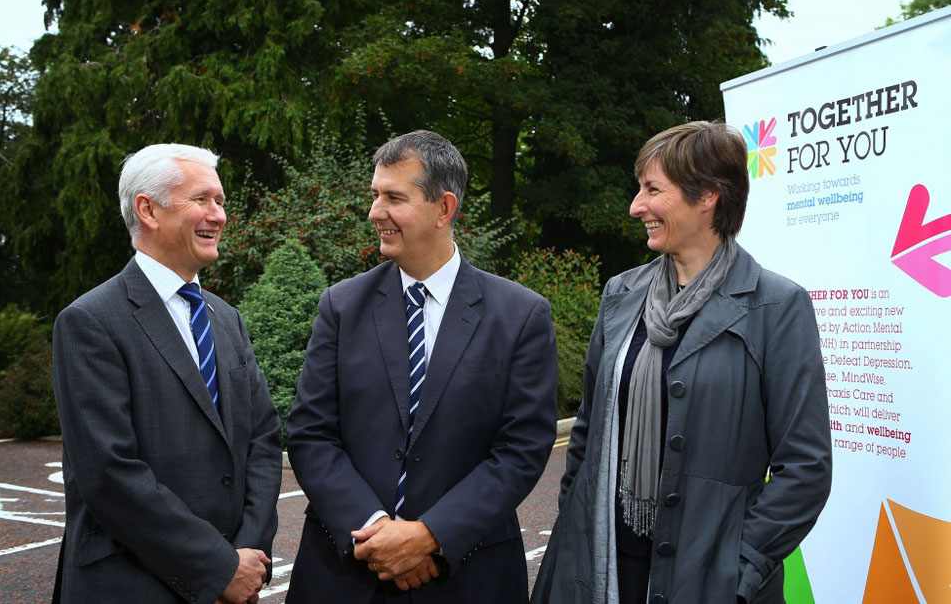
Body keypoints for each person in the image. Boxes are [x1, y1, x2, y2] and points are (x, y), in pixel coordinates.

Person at [531, 122, 832, 604]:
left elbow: (806, 468)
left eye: (653, 190)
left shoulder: (775, 306)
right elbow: (586, 436)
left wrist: (739, 571)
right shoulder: (621, 295)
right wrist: (573, 533)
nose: (636, 205)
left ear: (708, 195)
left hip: (709, 581)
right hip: (604, 569)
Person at [285, 130, 558, 603]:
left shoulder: (520, 315)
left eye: (394, 197)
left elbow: (521, 449)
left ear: (444, 209)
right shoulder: (342, 306)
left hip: (466, 575)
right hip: (345, 574)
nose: (375, 212)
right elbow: (310, 434)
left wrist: (430, 536)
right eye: (375, 196)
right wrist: (375, 532)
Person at [51, 144, 282, 604]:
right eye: (202, 199)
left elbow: (262, 440)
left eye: (220, 201)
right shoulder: (90, 322)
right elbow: (109, 474)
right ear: (148, 210)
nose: (218, 215)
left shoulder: (226, 318)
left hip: (234, 580)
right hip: (132, 585)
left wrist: (247, 553)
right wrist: (215, 568)